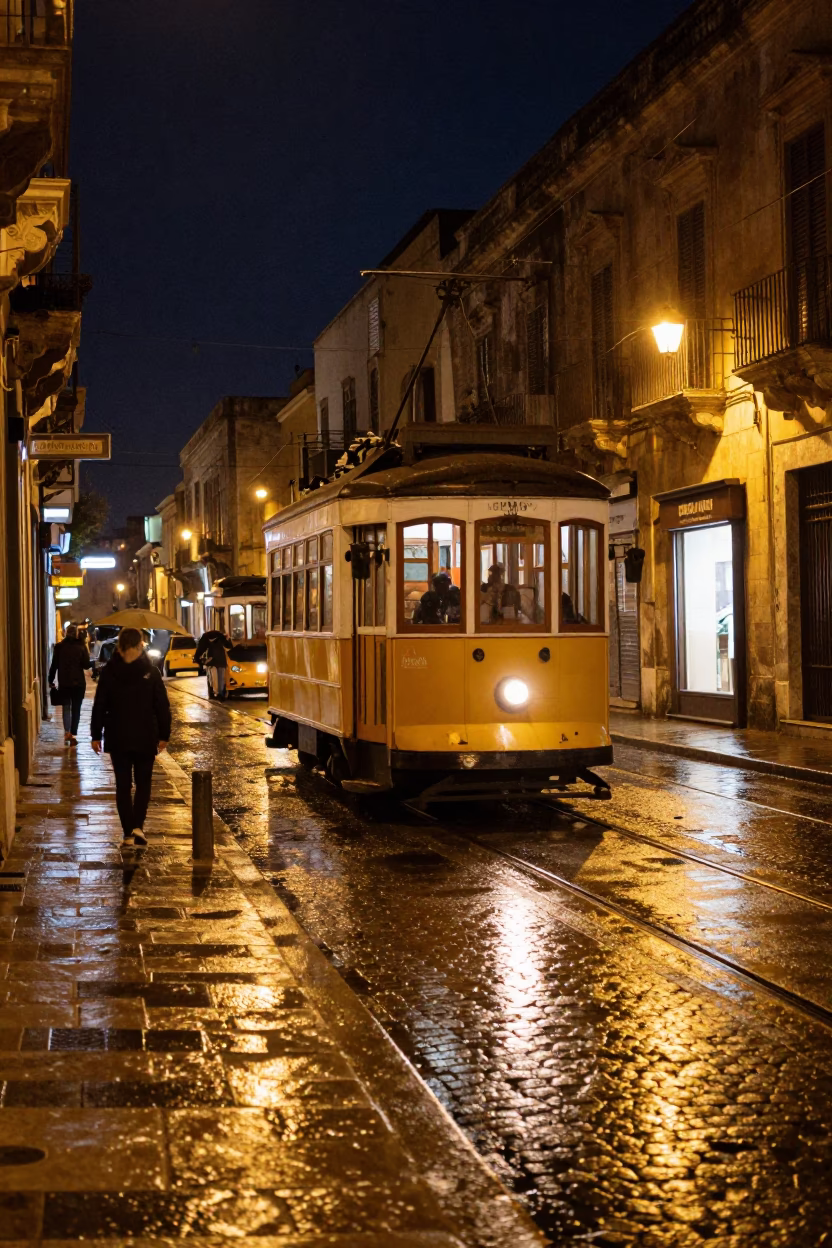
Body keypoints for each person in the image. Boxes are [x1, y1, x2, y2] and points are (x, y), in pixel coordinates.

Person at [90, 628, 171, 849]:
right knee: (131, 784)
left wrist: (164, 734)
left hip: (123, 735)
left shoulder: (110, 672)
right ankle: (134, 828)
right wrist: (95, 734)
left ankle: (132, 830)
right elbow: (161, 706)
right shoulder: (150, 672)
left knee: (131, 785)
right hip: (139, 735)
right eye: (140, 646)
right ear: (135, 647)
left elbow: (162, 707)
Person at [49, 623, 91, 746]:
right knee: (76, 709)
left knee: (66, 707)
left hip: (64, 682)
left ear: (66, 633)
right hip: (78, 684)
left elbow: (54, 665)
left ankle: (67, 732)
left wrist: (50, 679)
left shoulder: (59, 647)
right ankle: (73, 733)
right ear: (77, 634)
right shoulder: (81, 646)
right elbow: (86, 665)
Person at [193, 628, 232, 699]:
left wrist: (197, 659)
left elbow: (200, 649)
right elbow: (229, 646)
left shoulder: (205, 637)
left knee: (213, 677)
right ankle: (220, 693)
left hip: (211, 660)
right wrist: (228, 639)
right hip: (221, 660)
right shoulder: (221, 636)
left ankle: (215, 692)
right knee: (221, 677)